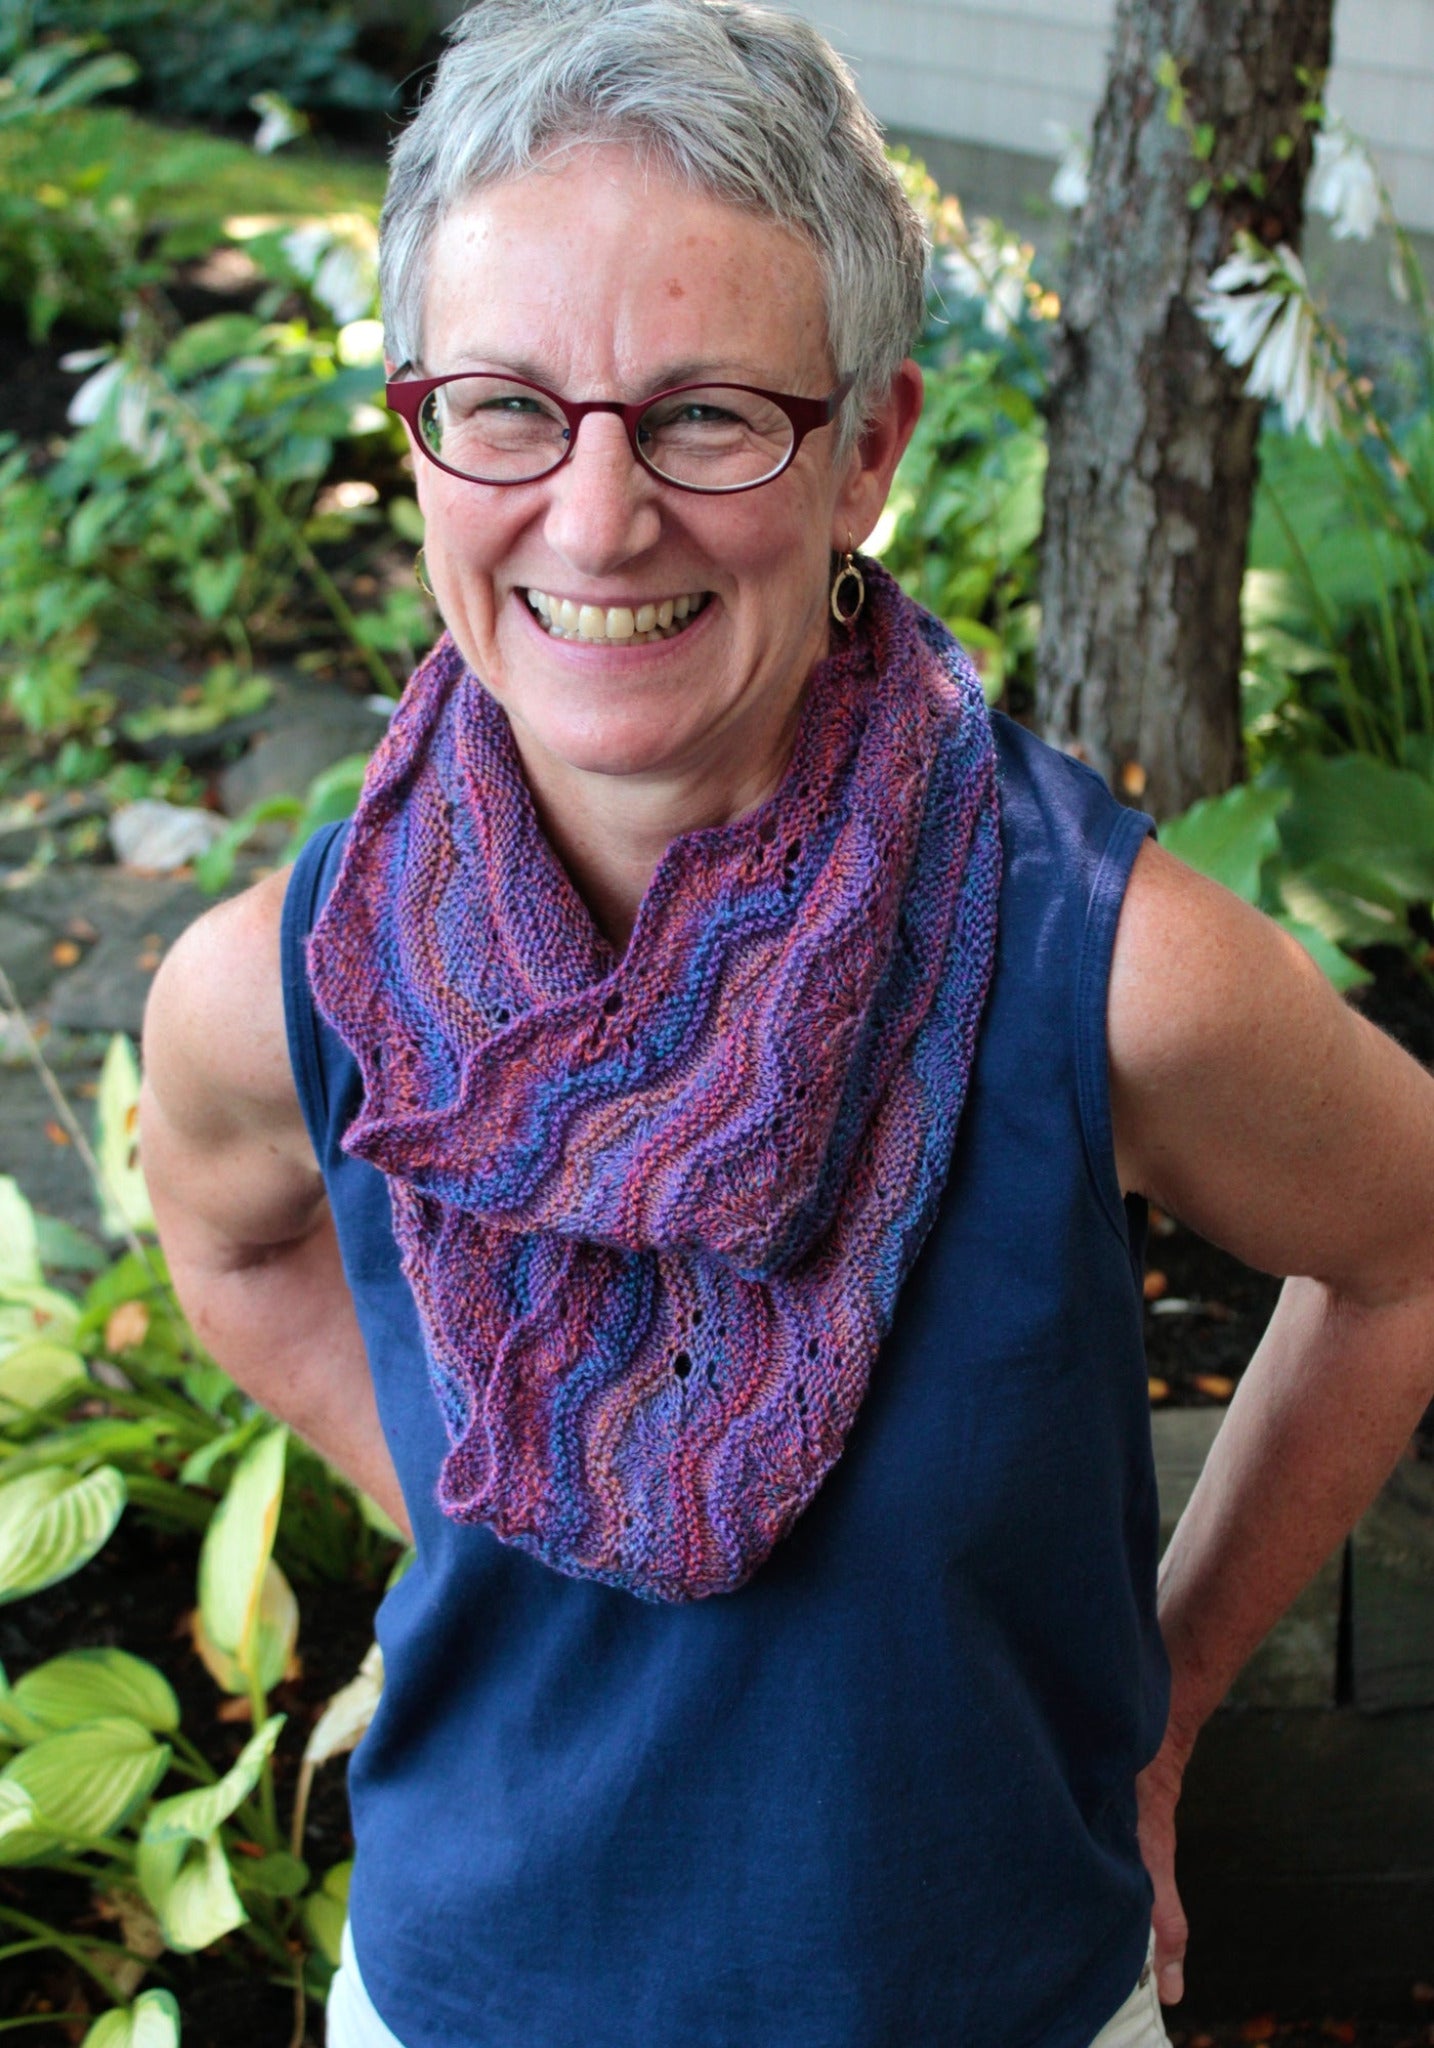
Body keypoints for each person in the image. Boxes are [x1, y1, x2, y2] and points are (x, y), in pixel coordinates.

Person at [137, 3, 1434, 2044]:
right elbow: (221, 1233)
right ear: (417, 436)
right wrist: (504, 1489)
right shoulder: (292, 981)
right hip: (458, 1996)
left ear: (870, 451)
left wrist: (1163, 1709)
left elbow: (1408, 1249)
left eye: (709, 413)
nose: (592, 514)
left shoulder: (1088, 960)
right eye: (502, 406)